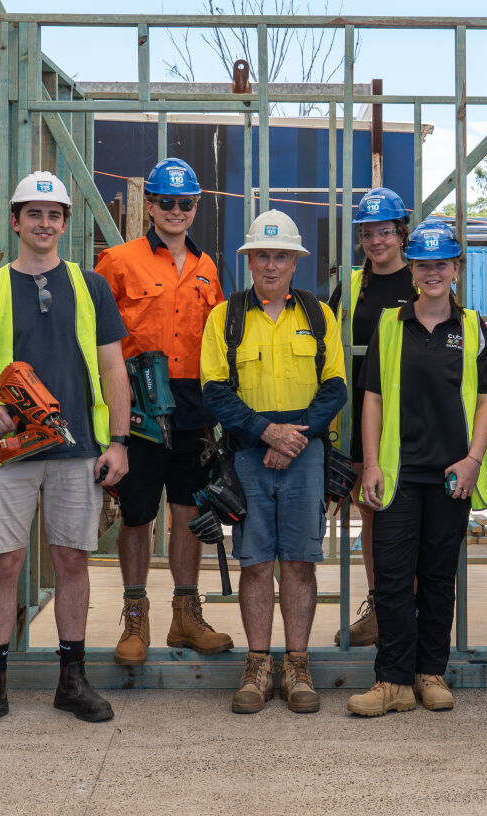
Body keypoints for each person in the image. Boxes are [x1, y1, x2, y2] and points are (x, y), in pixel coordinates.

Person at [0, 172, 131, 731]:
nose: (44, 223)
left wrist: (118, 441)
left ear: (65, 224)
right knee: (3, 563)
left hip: (78, 451)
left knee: (73, 559)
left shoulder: (90, 286)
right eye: (35, 214)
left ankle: (72, 679)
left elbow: (113, 367)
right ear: (16, 220)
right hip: (8, 454)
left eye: (54, 215)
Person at [201, 210, 348, 714]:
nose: (270, 264)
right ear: (249, 260)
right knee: (256, 563)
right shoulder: (226, 316)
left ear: (294, 262)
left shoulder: (317, 315)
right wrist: (265, 432)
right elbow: (214, 392)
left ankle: (298, 666)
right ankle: (258, 665)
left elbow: (335, 387)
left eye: (279, 255)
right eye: (261, 255)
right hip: (248, 455)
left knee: (300, 563)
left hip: (304, 453)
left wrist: (294, 438)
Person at [348, 221, 487, 716]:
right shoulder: (390, 325)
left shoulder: (474, 327)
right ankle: (392, 680)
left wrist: (475, 459)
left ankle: (430, 672)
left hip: (451, 476)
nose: (432, 273)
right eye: (423, 264)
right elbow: (371, 399)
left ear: (456, 268)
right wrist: (370, 463)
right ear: (411, 270)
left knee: (437, 578)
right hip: (398, 472)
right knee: (392, 577)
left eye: (442, 263)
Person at [94, 159, 233, 664]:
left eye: (186, 203)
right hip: (138, 403)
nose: (175, 211)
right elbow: (98, 341)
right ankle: (135, 616)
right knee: (135, 514)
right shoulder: (118, 261)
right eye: (166, 202)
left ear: (196, 208)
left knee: (188, 511)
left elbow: (218, 340)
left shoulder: (207, 267)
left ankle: (185, 615)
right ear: (149, 206)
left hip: (193, 404)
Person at [328, 186, 414, 648]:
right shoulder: (353, 286)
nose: (376, 241)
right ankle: (381, 607)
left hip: (412, 418)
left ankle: (411, 610)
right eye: (367, 234)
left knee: (411, 516)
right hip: (363, 413)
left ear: (401, 233)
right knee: (372, 511)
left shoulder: (421, 280)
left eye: (385, 232)